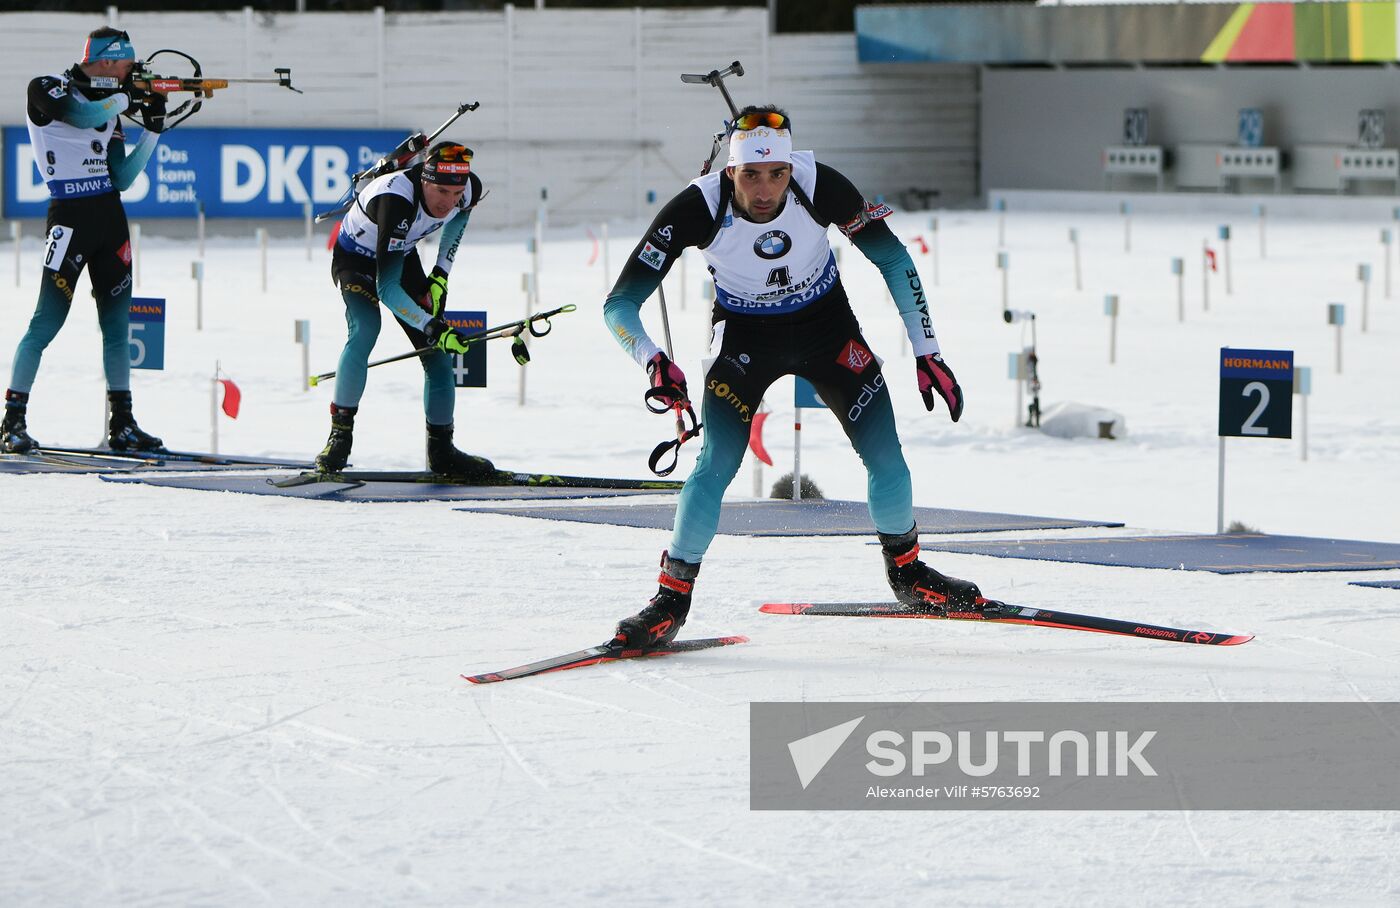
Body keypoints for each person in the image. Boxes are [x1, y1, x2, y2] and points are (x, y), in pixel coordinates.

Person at [602, 106, 979, 648]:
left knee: (887, 455)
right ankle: (671, 599)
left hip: (827, 328)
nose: (765, 189)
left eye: (776, 174)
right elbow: (618, 306)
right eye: (750, 175)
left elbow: (895, 261)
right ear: (729, 172)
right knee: (716, 466)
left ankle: (909, 574)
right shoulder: (694, 207)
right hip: (744, 339)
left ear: (790, 167)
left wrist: (929, 353)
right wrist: (653, 360)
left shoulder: (820, 185)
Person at [1, 27, 169, 454]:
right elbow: (80, 117)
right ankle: (11, 421)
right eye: (128, 65)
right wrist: (129, 100)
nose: (131, 73)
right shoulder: (48, 88)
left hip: (109, 217)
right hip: (70, 217)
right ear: (108, 61)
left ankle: (123, 424)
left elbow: (124, 178)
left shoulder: (110, 110)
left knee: (117, 327)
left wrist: (152, 131)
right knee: (46, 322)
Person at [316, 141, 494, 477]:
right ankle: (339, 438)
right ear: (424, 180)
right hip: (357, 262)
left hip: (400, 255)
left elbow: (460, 218)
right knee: (366, 330)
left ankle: (442, 451)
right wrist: (432, 325)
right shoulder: (396, 200)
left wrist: (440, 275)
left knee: (438, 355)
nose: (448, 203)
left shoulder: (468, 189)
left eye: (455, 194)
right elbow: (387, 290)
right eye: (441, 191)